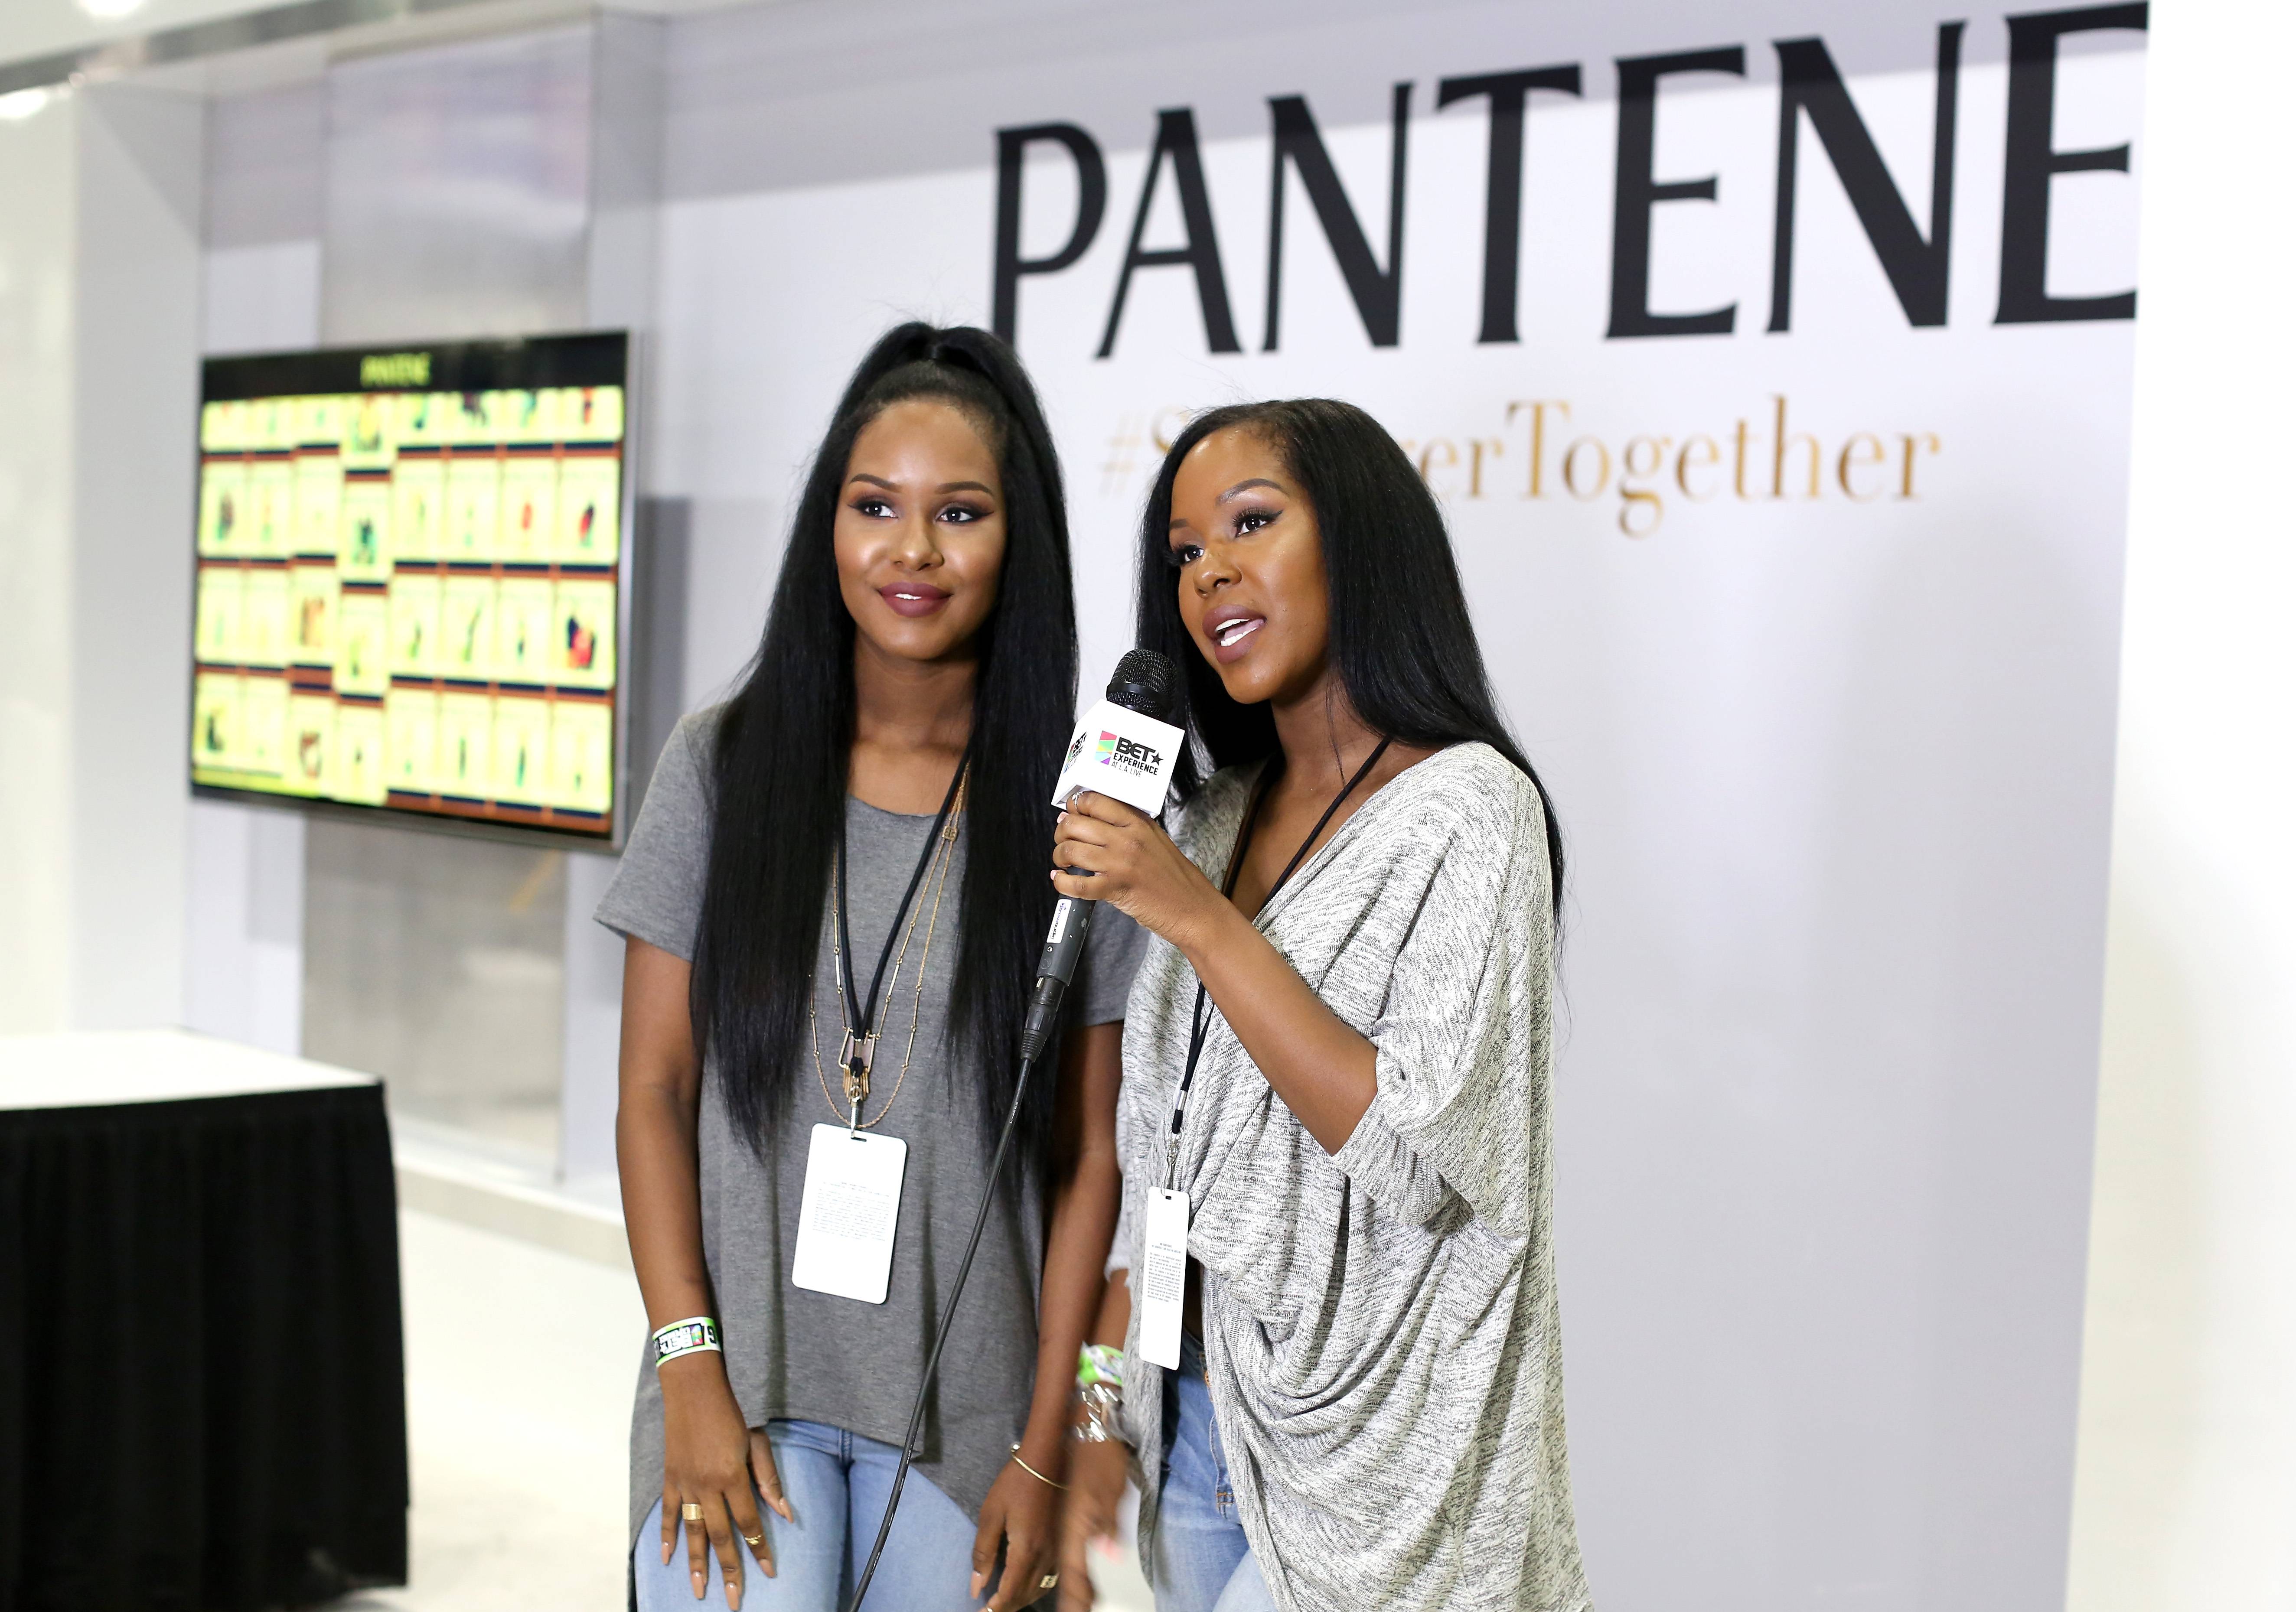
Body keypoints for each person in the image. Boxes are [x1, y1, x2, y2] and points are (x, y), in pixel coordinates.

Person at [599, 324, 1145, 1612]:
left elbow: (1090, 1160)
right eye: (873, 507)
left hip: (974, 1431)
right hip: (740, 1396)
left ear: (1020, 544)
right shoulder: (720, 770)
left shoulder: (1080, 813)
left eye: (960, 513)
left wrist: (1049, 1445)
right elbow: (651, 1092)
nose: (913, 552)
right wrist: (686, 1368)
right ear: (826, 531)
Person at [1049, 400, 1590, 1612]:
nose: (1211, 573)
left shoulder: (1470, 813)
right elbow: (1162, 1176)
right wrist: (1101, 1413)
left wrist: (1192, 912)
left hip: (1384, 1488)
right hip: (1197, 1438)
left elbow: (1411, 1153)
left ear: (1359, 542)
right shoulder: (1216, 812)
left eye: (1252, 523)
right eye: (1186, 551)